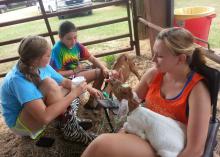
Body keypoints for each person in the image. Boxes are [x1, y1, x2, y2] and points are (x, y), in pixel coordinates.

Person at [81, 27, 211, 157]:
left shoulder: (197, 91)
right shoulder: (155, 74)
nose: (153, 59)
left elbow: (195, 150)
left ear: (181, 59)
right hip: (144, 131)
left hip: (167, 146)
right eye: (154, 53)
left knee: (100, 145)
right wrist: (120, 89)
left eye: (159, 56)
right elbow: (127, 107)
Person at [0, 36, 96, 145]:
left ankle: (68, 122)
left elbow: (65, 82)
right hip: (21, 125)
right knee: (50, 84)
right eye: (48, 55)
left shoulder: (37, 64)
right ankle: (71, 130)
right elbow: (45, 118)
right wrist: (73, 94)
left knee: (65, 85)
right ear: (36, 59)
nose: (51, 58)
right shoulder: (18, 80)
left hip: (32, 109)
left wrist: (88, 88)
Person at [50, 21, 111, 109]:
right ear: (60, 37)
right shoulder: (57, 50)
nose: (73, 41)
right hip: (66, 80)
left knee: (101, 70)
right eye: (69, 38)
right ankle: (88, 100)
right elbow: (55, 74)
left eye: (75, 37)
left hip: (77, 74)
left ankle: (91, 101)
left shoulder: (77, 45)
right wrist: (74, 71)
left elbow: (91, 58)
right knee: (97, 71)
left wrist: (104, 68)